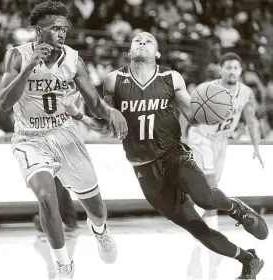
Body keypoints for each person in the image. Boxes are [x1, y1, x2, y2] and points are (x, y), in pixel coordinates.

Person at [63, 32, 268, 279]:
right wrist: (78, 115)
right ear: (129, 51)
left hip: (174, 154)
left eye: (148, 40)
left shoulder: (171, 78)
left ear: (157, 53)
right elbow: (109, 128)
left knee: (205, 199)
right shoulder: (113, 81)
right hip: (144, 169)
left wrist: (214, 109)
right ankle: (250, 260)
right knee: (197, 228)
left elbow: (193, 115)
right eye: (136, 40)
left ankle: (236, 208)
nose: (141, 42)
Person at [0, 1, 128, 278]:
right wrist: (28, 67)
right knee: (46, 197)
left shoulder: (73, 59)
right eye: (55, 28)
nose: (62, 33)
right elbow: (4, 103)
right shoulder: (17, 56)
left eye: (64, 29)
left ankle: (100, 231)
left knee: (97, 208)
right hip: (30, 139)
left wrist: (111, 111)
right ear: (38, 30)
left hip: (65, 133)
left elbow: (93, 102)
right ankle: (63, 264)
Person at [187, 52, 264, 232]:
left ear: (240, 71)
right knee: (211, 185)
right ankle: (212, 231)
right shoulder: (207, 89)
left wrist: (256, 147)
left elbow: (251, 120)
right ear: (220, 69)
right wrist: (182, 136)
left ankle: (191, 216)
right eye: (228, 67)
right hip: (201, 136)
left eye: (235, 68)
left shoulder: (246, 92)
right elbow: (188, 113)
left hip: (221, 140)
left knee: (209, 189)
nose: (232, 71)